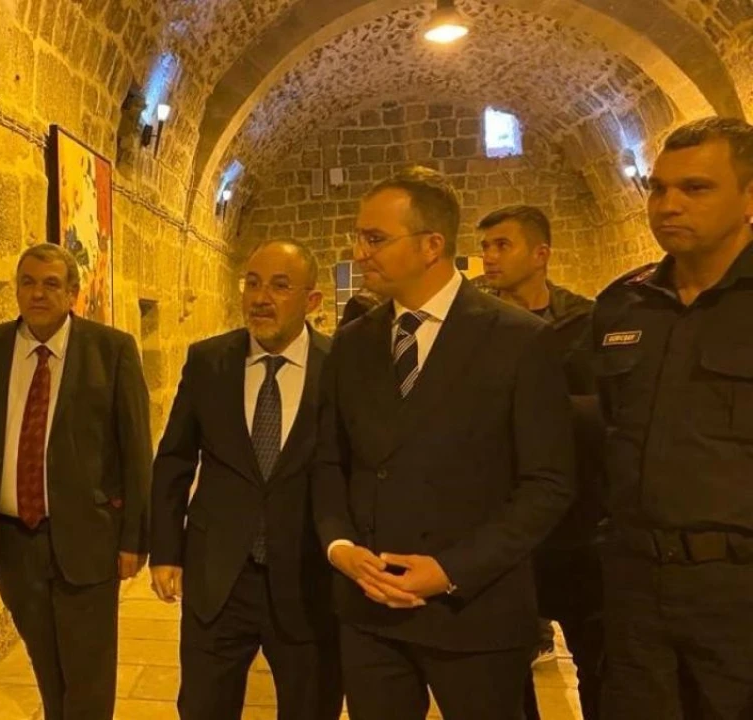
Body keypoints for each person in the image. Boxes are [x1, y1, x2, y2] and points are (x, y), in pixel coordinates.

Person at [313, 167, 575, 720]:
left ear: (432, 245)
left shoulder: (519, 339)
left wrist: (451, 569)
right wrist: (340, 547)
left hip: (475, 612)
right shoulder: (353, 343)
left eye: (375, 239)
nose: (360, 253)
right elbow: (331, 461)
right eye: (359, 237)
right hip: (370, 612)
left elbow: (547, 484)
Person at [0, 243, 153, 720]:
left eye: (50, 284)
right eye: (28, 282)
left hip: (89, 539)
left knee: (88, 674)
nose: (37, 293)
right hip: (14, 542)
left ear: (72, 293)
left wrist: (135, 539)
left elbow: (136, 452)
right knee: (46, 666)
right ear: (17, 289)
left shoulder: (112, 351)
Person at [592, 116, 753, 720]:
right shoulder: (624, 306)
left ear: (749, 197)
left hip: (737, 590)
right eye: (658, 188)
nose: (668, 205)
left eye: (696, 188)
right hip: (635, 585)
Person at [150, 238, 344, 720]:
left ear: (312, 300)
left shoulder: (341, 367)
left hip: (307, 581)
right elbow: (174, 459)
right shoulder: (208, 361)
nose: (261, 298)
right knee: (203, 708)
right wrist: (166, 551)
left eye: (280, 286)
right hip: (218, 577)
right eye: (252, 283)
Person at [478, 205, 604, 719]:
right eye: (485, 246)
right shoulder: (477, 326)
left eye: (501, 245)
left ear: (540, 254)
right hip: (506, 523)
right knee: (506, 669)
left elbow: (607, 408)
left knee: (599, 662)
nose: (489, 257)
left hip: (578, 523)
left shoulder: (585, 322)